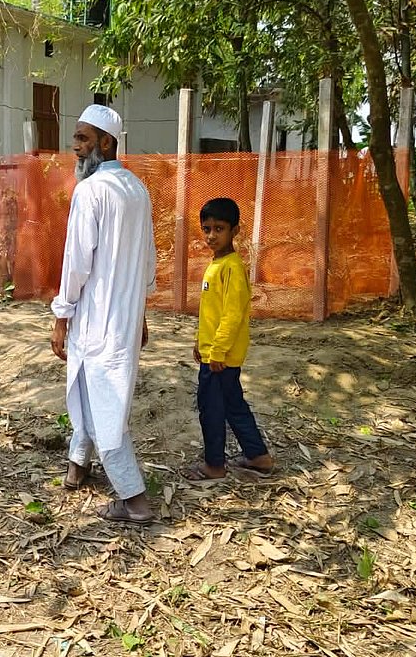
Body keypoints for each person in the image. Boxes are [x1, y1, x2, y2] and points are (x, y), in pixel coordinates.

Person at [50, 104, 158, 525]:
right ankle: (77, 465)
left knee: (105, 405)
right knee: (85, 389)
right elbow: (147, 260)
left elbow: (76, 263)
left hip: (97, 319)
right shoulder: (136, 189)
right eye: (76, 137)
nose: (75, 147)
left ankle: (134, 499)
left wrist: (61, 316)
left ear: (107, 143)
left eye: (83, 138)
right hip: (123, 319)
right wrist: (140, 314)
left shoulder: (92, 191)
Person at [183, 198, 274, 480]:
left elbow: (232, 316)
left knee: (211, 409)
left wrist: (218, 352)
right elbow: (213, 312)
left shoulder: (232, 268)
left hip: (219, 359)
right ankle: (258, 456)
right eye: (206, 229)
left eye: (219, 229)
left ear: (235, 230)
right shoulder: (217, 264)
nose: (211, 236)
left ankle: (214, 465)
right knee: (233, 405)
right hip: (214, 353)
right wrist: (200, 341)